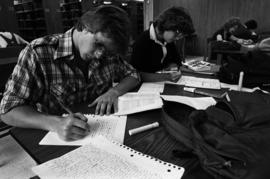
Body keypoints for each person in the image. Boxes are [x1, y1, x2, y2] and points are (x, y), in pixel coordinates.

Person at [0, 5, 140, 141]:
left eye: (107, 50)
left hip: (102, 132)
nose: (100, 55)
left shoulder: (108, 54)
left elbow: (133, 75)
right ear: (84, 27)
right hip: (58, 138)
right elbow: (8, 110)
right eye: (99, 44)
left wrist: (113, 92)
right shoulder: (38, 53)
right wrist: (56, 123)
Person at [130, 6, 195, 82]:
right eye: (177, 33)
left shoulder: (168, 41)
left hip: (163, 84)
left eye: (181, 35)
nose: (178, 38)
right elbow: (135, 75)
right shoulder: (142, 41)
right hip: (145, 88)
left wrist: (173, 66)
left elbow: (176, 61)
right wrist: (165, 77)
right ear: (166, 25)